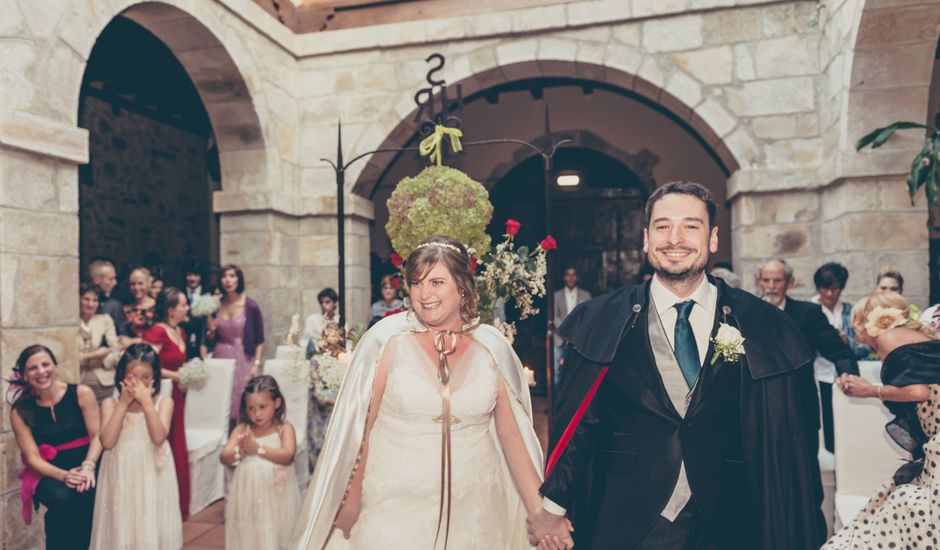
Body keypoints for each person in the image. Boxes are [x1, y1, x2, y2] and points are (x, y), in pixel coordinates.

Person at [530, 181, 825, 550]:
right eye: (663, 226)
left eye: (690, 225)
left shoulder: (762, 324)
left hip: (729, 519)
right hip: (625, 517)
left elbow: (789, 437)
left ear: (713, 238)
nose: (675, 238)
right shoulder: (602, 319)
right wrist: (552, 507)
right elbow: (580, 424)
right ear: (645, 238)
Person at [291, 236, 544, 549]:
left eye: (437, 281)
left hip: (476, 509)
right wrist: (351, 495)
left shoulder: (492, 348)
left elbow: (512, 439)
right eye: (416, 283)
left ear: (462, 285)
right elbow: (361, 430)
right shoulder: (386, 342)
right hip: (393, 507)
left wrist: (539, 510)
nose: (425, 294)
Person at [824, 291, 940, 548]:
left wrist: (870, 390)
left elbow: (918, 392)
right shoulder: (912, 337)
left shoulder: (888, 338)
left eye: (855, 324)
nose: (853, 333)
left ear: (868, 322)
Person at [757, 258, 859, 453]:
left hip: (800, 406)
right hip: (759, 407)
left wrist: (847, 372)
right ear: (759, 281)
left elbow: (839, 350)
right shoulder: (745, 313)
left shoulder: (808, 313)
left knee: (804, 471)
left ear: (790, 282)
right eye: (766, 280)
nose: (771, 286)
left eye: (777, 280)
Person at [90, 344, 183, 549]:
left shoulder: (164, 403)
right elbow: (107, 442)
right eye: (132, 377)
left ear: (155, 378)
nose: (139, 384)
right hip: (120, 471)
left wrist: (147, 404)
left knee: (149, 518)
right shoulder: (110, 404)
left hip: (151, 472)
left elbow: (159, 437)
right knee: (122, 522)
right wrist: (123, 405)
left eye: (146, 377)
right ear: (122, 377)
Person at [9, 345, 100, 549]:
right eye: (33, 368)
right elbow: (32, 458)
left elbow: (97, 437)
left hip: (87, 463)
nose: (41, 372)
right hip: (48, 473)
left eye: (45, 364)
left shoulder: (82, 393)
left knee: (88, 494)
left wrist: (88, 466)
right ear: (24, 375)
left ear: (55, 366)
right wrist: (65, 476)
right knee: (62, 498)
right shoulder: (20, 410)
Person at [221, 375, 300, 550]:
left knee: (274, 529)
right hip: (248, 494)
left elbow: (288, 455)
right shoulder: (243, 429)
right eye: (251, 408)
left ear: (277, 403)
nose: (256, 414)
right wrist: (240, 452)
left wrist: (257, 448)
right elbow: (224, 456)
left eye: (263, 407)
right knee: (251, 532)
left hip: (275, 495)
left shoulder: (284, 429)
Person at [143, 287, 191, 520]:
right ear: (171, 309)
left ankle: (176, 503)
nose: (186, 308)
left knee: (176, 443)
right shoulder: (157, 331)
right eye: (183, 304)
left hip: (177, 396)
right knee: (162, 443)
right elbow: (146, 365)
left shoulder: (180, 331)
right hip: (160, 395)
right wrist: (176, 376)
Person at [207, 264, 265, 421]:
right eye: (224, 276)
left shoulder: (250, 306)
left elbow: (260, 339)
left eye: (232, 276)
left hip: (244, 358)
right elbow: (211, 339)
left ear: (239, 279)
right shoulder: (215, 305)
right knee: (221, 398)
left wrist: (257, 364)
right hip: (221, 356)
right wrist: (210, 330)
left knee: (243, 399)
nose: (228, 280)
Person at [812, 262, 870, 359]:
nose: (830, 293)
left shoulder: (850, 311)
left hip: (845, 369)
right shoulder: (806, 310)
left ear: (841, 288)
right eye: (825, 288)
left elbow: (868, 346)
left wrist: (848, 341)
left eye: (835, 288)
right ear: (818, 288)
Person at [77, 282, 122, 402]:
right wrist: (94, 355)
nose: (91, 304)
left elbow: (116, 352)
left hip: (103, 381)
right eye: (86, 299)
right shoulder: (70, 324)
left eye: (95, 300)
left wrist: (103, 362)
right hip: (76, 380)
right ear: (78, 299)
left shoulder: (105, 320)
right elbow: (68, 357)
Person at [553, 267, 591, 391]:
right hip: (559, 339)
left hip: (579, 340)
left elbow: (589, 316)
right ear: (564, 277)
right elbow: (554, 316)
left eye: (573, 275)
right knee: (558, 372)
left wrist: (575, 331)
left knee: (578, 372)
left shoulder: (586, 295)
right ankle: (557, 405)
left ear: (577, 277)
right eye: (568, 275)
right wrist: (567, 330)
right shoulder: (556, 295)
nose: (570, 278)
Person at [89, 258, 128, 336]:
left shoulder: (114, 306)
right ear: (96, 279)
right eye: (111, 279)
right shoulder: (78, 302)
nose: (115, 283)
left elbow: (122, 337)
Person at [121, 267, 157, 346]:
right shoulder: (126, 309)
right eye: (133, 284)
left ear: (148, 284)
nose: (136, 288)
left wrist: (133, 341)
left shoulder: (157, 307)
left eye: (140, 283)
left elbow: (158, 336)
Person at [180, 262, 208, 360]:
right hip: (183, 337)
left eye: (196, 275)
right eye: (189, 275)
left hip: (203, 339)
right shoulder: (179, 292)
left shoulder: (208, 292)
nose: (192, 279)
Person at [302, 288, 340, 356]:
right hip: (315, 355)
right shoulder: (312, 319)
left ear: (334, 303)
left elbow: (346, 343)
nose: (323, 305)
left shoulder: (339, 320)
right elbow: (305, 340)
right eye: (321, 302)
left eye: (327, 302)